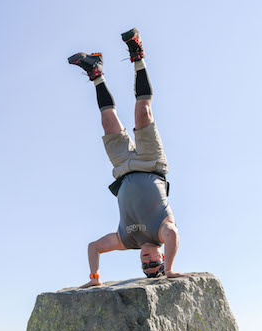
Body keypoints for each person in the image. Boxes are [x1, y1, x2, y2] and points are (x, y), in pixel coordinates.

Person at [68, 28, 191, 289]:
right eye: (153, 263)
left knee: (107, 121)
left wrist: (94, 279)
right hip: (151, 163)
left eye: (145, 266)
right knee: (143, 112)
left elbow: (94, 247)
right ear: (160, 255)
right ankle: (138, 55)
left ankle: (96, 73)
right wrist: (168, 271)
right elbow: (173, 235)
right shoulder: (163, 231)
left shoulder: (126, 241)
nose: (147, 262)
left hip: (122, 167)